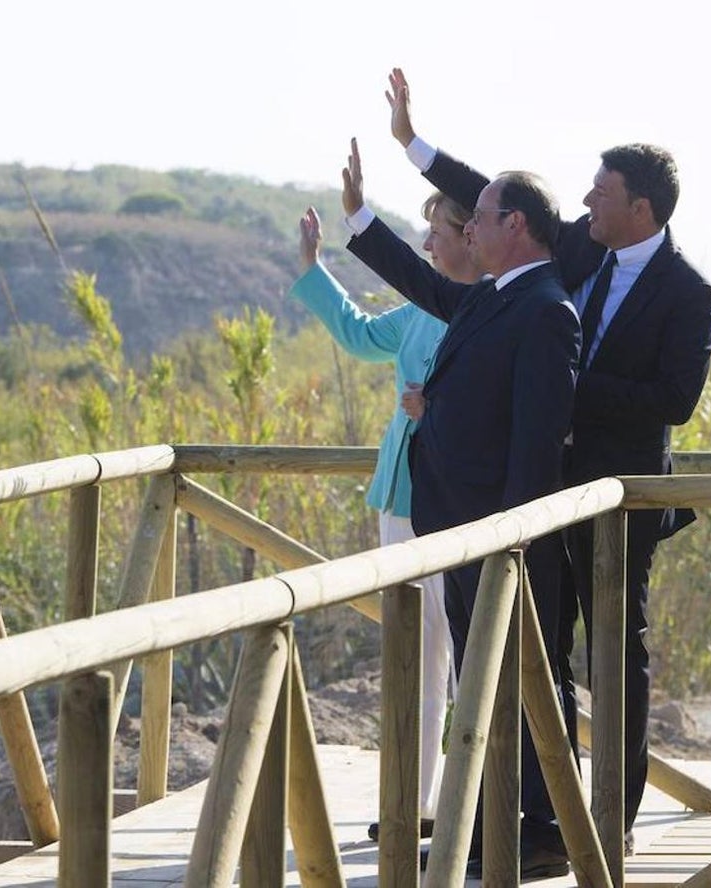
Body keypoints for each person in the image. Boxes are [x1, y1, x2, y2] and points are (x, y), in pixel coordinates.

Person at [385, 67, 711, 844]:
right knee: (544, 653)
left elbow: (674, 400)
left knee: (616, 657)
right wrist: (413, 145)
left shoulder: (688, 292)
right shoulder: (581, 248)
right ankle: (547, 817)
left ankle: (612, 822)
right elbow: (493, 196)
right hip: (546, 489)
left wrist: (560, 384)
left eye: (601, 193)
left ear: (641, 209)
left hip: (619, 500)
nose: (586, 202)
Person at [341, 137, 581, 881]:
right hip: (460, 532)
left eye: (479, 217)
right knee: (482, 688)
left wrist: (512, 537)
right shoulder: (491, 296)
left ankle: (542, 832)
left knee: (522, 683)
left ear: (517, 224)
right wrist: (359, 221)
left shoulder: (545, 310)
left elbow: (537, 442)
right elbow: (422, 281)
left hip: (501, 539)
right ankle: (483, 825)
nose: (468, 229)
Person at [288, 192, 482, 841]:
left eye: (436, 233)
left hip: (460, 506)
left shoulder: (495, 309)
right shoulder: (421, 309)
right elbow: (361, 336)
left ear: (473, 237)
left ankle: (464, 804)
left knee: (466, 654)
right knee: (414, 654)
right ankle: (412, 802)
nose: (426, 246)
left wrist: (438, 407)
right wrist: (313, 267)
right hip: (399, 500)